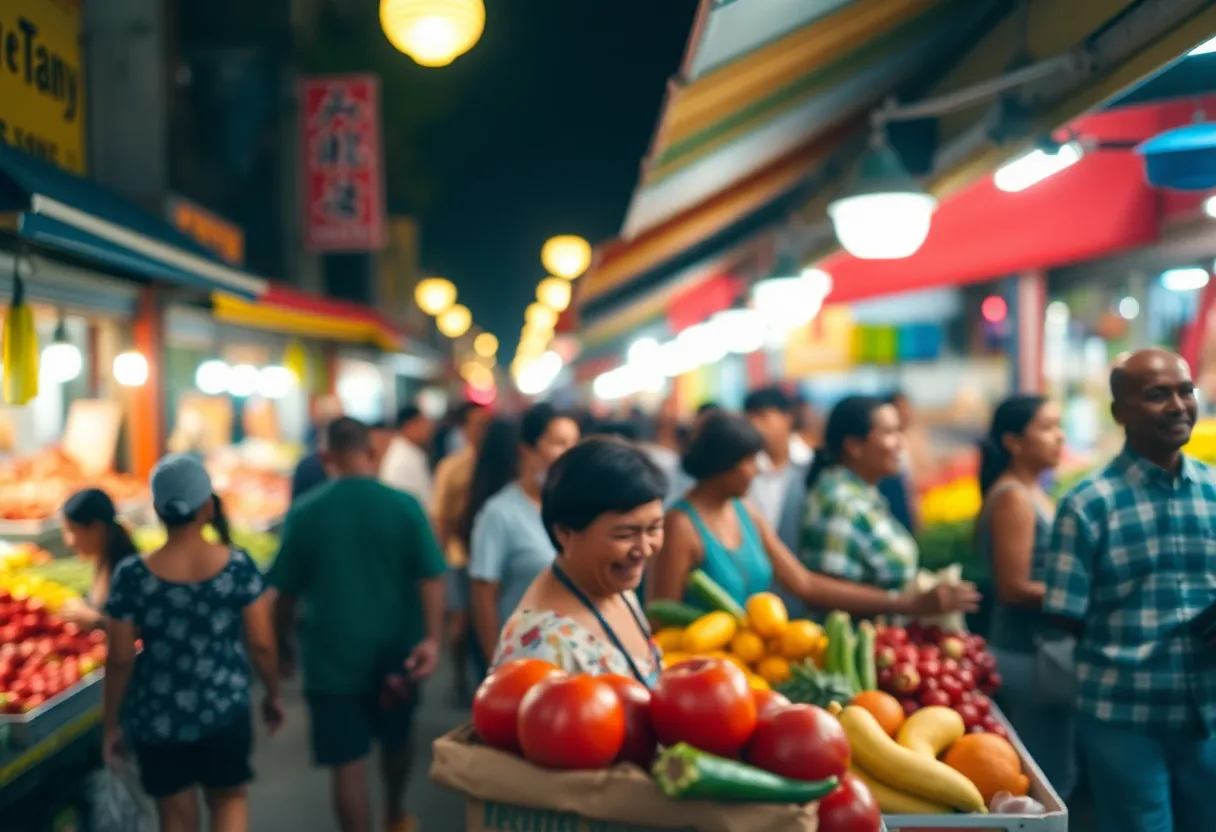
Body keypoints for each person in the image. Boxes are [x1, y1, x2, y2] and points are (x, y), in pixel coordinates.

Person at [1042, 349, 1216, 832]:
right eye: (1157, 395)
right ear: (1120, 413)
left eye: (1185, 391)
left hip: (1208, 712)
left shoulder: (1213, 490)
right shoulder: (1087, 506)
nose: (1178, 405)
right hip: (1123, 715)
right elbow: (1063, 614)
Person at [269, 417, 445, 832]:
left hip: (331, 660)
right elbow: (432, 577)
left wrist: (282, 644)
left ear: (325, 456)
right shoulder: (405, 506)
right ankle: (394, 812)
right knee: (397, 742)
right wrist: (432, 639)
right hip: (397, 655)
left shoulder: (305, 513)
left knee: (347, 766)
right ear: (372, 451)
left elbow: (284, 595)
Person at [102, 455, 282, 832]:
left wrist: (112, 725)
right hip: (224, 709)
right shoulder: (237, 567)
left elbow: (120, 659)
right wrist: (273, 693)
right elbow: (262, 644)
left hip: (156, 716)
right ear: (208, 507)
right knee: (229, 799)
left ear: (157, 509)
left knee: (175, 816)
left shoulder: (131, 575)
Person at [651, 413, 980, 618]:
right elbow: (661, 616)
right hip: (704, 679)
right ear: (721, 466)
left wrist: (908, 603)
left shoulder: (745, 511)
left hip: (752, 664)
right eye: (750, 461)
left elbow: (804, 583)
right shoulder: (681, 525)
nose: (758, 470)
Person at [493, 438, 668, 683]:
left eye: (654, 528)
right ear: (565, 533)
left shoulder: (616, 587)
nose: (644, 549)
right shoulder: (540, 645)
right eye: (624, 535)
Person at [976, 394, 1076, 799]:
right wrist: (1083, 595)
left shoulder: (1029, 491)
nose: (1059, 436)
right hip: (1029, 654)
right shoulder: (1014, 498)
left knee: (1054, 772)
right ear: (1013, 440)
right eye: (1047, 427)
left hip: (1038, 653)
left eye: (1059, 425)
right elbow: (1013, 587)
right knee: (1047, 782)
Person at [467, 405, 580, 679]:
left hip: (578, 660)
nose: (568, 454)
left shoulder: (580, 510)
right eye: (557, 443)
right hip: (524, 664)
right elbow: (483, 597)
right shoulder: (499, 513)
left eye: (574, 444)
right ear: (526, 449)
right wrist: (498, 667)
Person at [801, 396, 924, 594]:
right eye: (889, 433)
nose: (901, 443)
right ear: (854, 446)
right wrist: (910, 604)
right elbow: (831, 594)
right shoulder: (841, 502)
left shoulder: (863, 492)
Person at [430, 401, 492, 703]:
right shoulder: (452, 467)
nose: (483, 431)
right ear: (465, 429)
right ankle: (458, 677)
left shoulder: (502, 466)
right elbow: (440, 517)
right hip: (458, 558)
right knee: (461, 624)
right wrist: (437, 565)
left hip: (490, 557)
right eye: (477, 425)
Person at [57, 488, 140, 629]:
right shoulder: (103, 559)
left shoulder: (129, 573)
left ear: (96, 529)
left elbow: (142, 629)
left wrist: (96, 621)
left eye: (71, 531)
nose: (68, 541)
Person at [379, 405, 435, 503]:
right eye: (423, 423)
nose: (429, 429)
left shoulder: (410, 453)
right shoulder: (403, 458)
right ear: (409, 426)